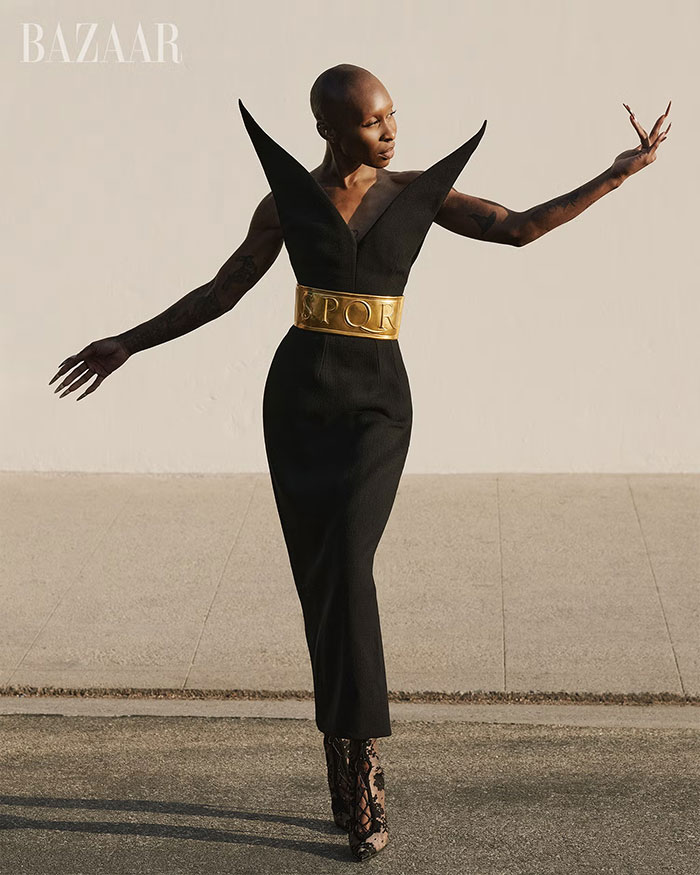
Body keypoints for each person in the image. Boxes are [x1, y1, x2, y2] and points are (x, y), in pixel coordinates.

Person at [49, 64, 671, 861]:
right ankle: (348, 771)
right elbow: (222, 290)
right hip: (300, 402)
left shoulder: (414, 194)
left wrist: (615, 175)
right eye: (374, 123)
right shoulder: (286, 206)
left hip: (378, 404)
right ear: (328, 131)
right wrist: (127, 341)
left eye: (392, 116)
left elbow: (519, 226)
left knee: (348, 564)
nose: (391, 131)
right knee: (327, 586)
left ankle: (365, 773)